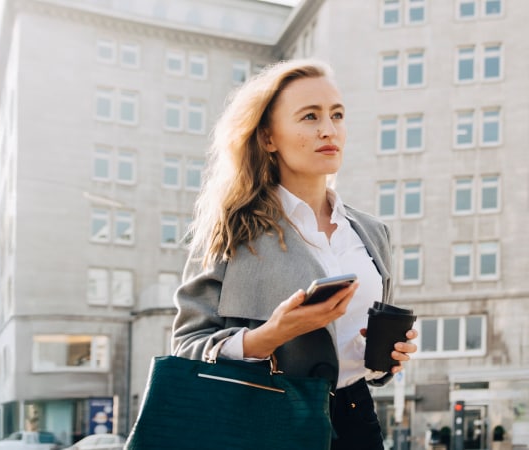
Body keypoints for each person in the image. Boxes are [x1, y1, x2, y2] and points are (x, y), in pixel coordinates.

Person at [171, 59, 418, 450]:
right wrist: (273, 334)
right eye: (309, 116)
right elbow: (187, 346)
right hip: (266, 421)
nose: (328, 130)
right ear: (269, 138)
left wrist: (383, 358)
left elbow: (357, 351)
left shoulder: (372, 232)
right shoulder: (231, 229)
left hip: (356, 418)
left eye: (337, 115)